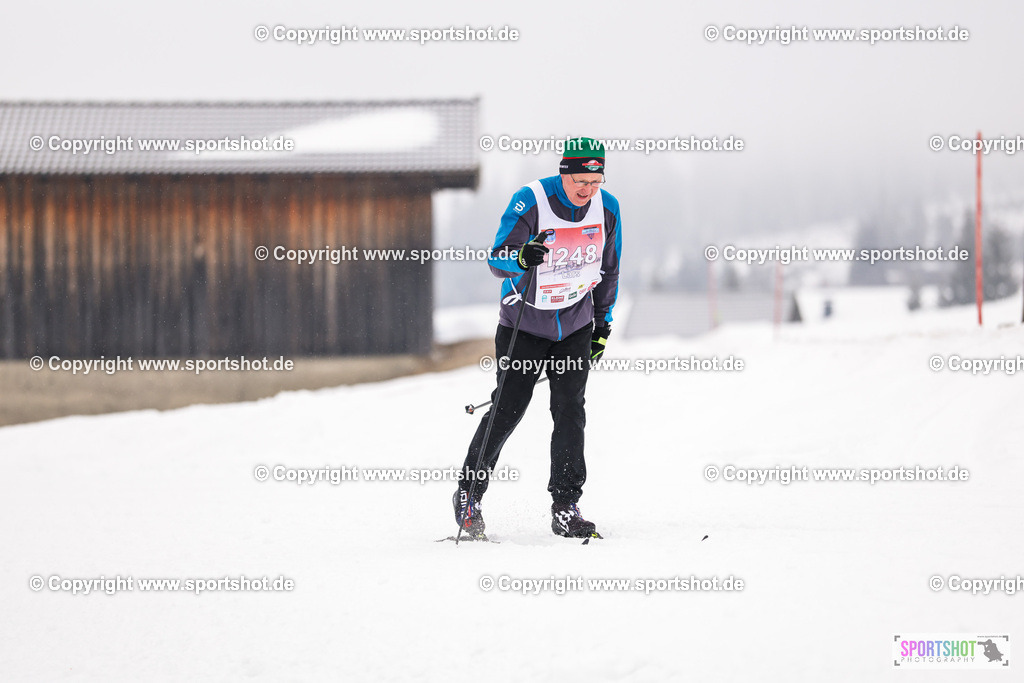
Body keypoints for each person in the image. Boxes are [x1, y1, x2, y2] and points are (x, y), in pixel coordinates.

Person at [453, 137, 623, 539]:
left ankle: (566, 505)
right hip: (524, 327)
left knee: (570, 411)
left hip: (575, 326)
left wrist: (602, 323)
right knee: (508, 408)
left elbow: (609, 267)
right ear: (564, 173)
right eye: (580, 180)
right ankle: (469, 495)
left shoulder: (608, 207)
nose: (587, 190)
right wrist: (521, 257)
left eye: (595, 181)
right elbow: (496, 258)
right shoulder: (531, 200)